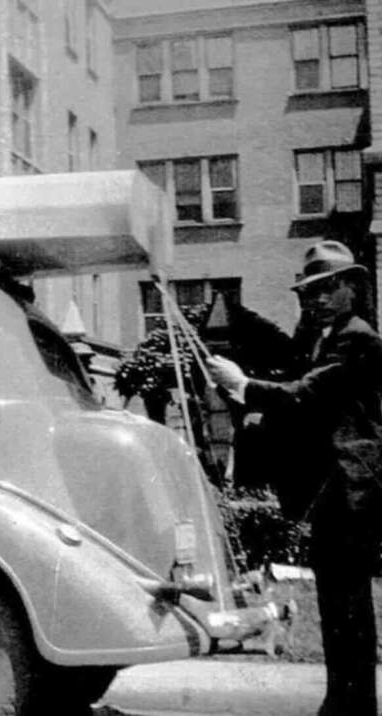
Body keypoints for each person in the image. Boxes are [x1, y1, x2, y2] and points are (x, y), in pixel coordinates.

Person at [207, 240, 382, 716]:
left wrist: (241, 384)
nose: (317, 299)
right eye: (310, 291)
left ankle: (356, 704)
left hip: (351, 489)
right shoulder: (320, 339)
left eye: (328, 288)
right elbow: (304, 406)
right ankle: (342, 700)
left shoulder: (358, 338)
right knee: (336, 602)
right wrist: (259, 415)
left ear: (352, 287)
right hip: (330, 490)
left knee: (349, 605)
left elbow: (307, 393)